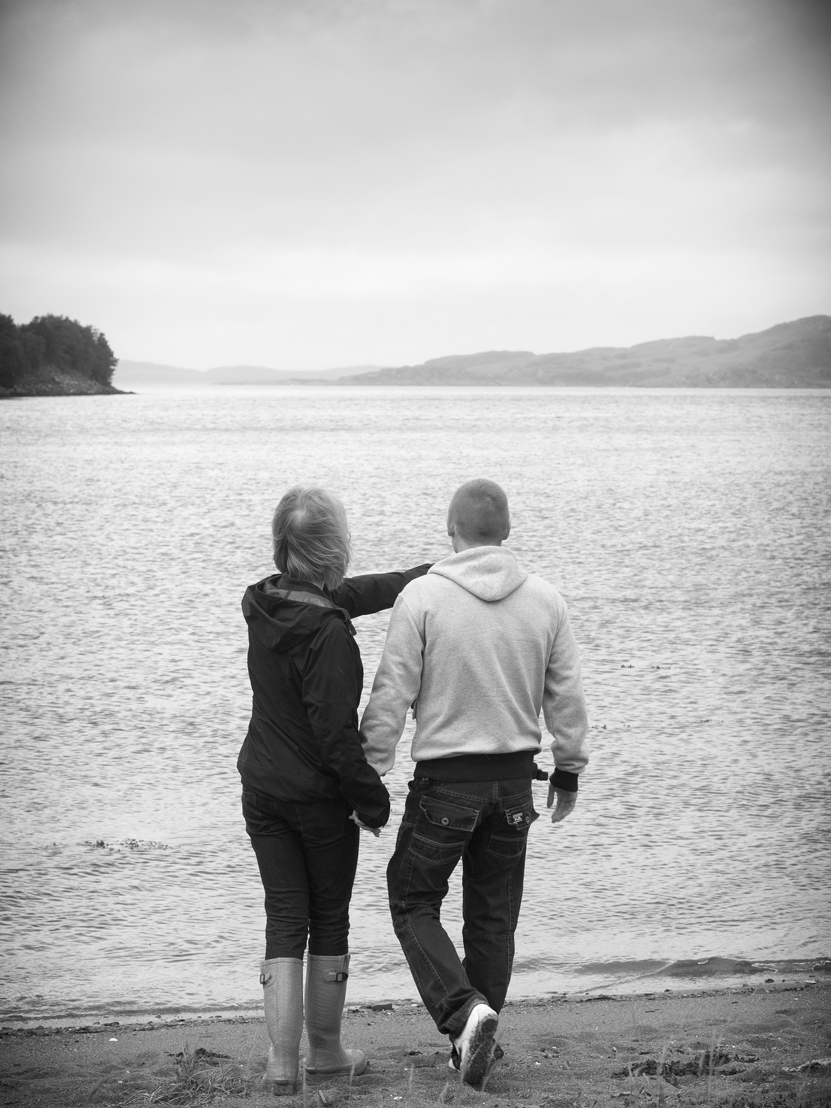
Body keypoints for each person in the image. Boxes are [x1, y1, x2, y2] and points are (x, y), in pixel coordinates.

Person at [360, 478, 589, 1087]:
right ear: (506, 531)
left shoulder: (423, 597)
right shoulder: (546, 600)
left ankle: (464, 1014)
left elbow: (392, 693)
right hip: (514, 789)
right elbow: (564, 695)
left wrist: (369, 776)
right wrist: (568, 769)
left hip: (445, 786)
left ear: (450, 529)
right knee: (492, 917)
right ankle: (474, 1038)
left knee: (411, 900)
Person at [238, 485, 430, 1094]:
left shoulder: (265, 601)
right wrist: (374, 801)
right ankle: (324, 1054)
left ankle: (279, 1065)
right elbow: (337, 739)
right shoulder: (328, 635)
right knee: (327, 920)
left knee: (283, 917)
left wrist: (422, 577)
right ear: (334, 550)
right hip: (317, 801)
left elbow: (351, 593)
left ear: (283, 547)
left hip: (262, 789)